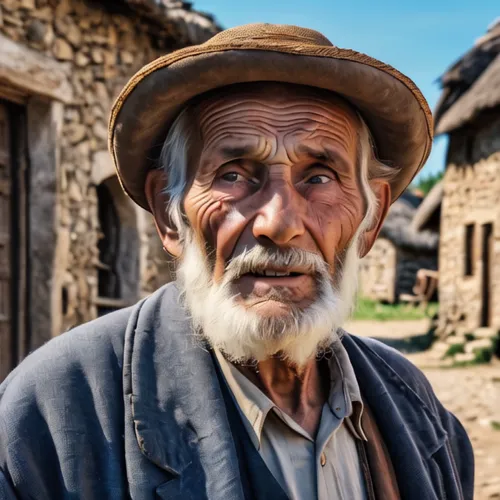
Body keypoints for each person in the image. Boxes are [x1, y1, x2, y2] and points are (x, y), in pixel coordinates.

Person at [0, 23, 473, 500]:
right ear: (169, 212)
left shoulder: (418, 411)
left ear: (371, 220)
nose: (278, 221)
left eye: (320, 177)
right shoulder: (48, 418)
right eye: (233, 174)